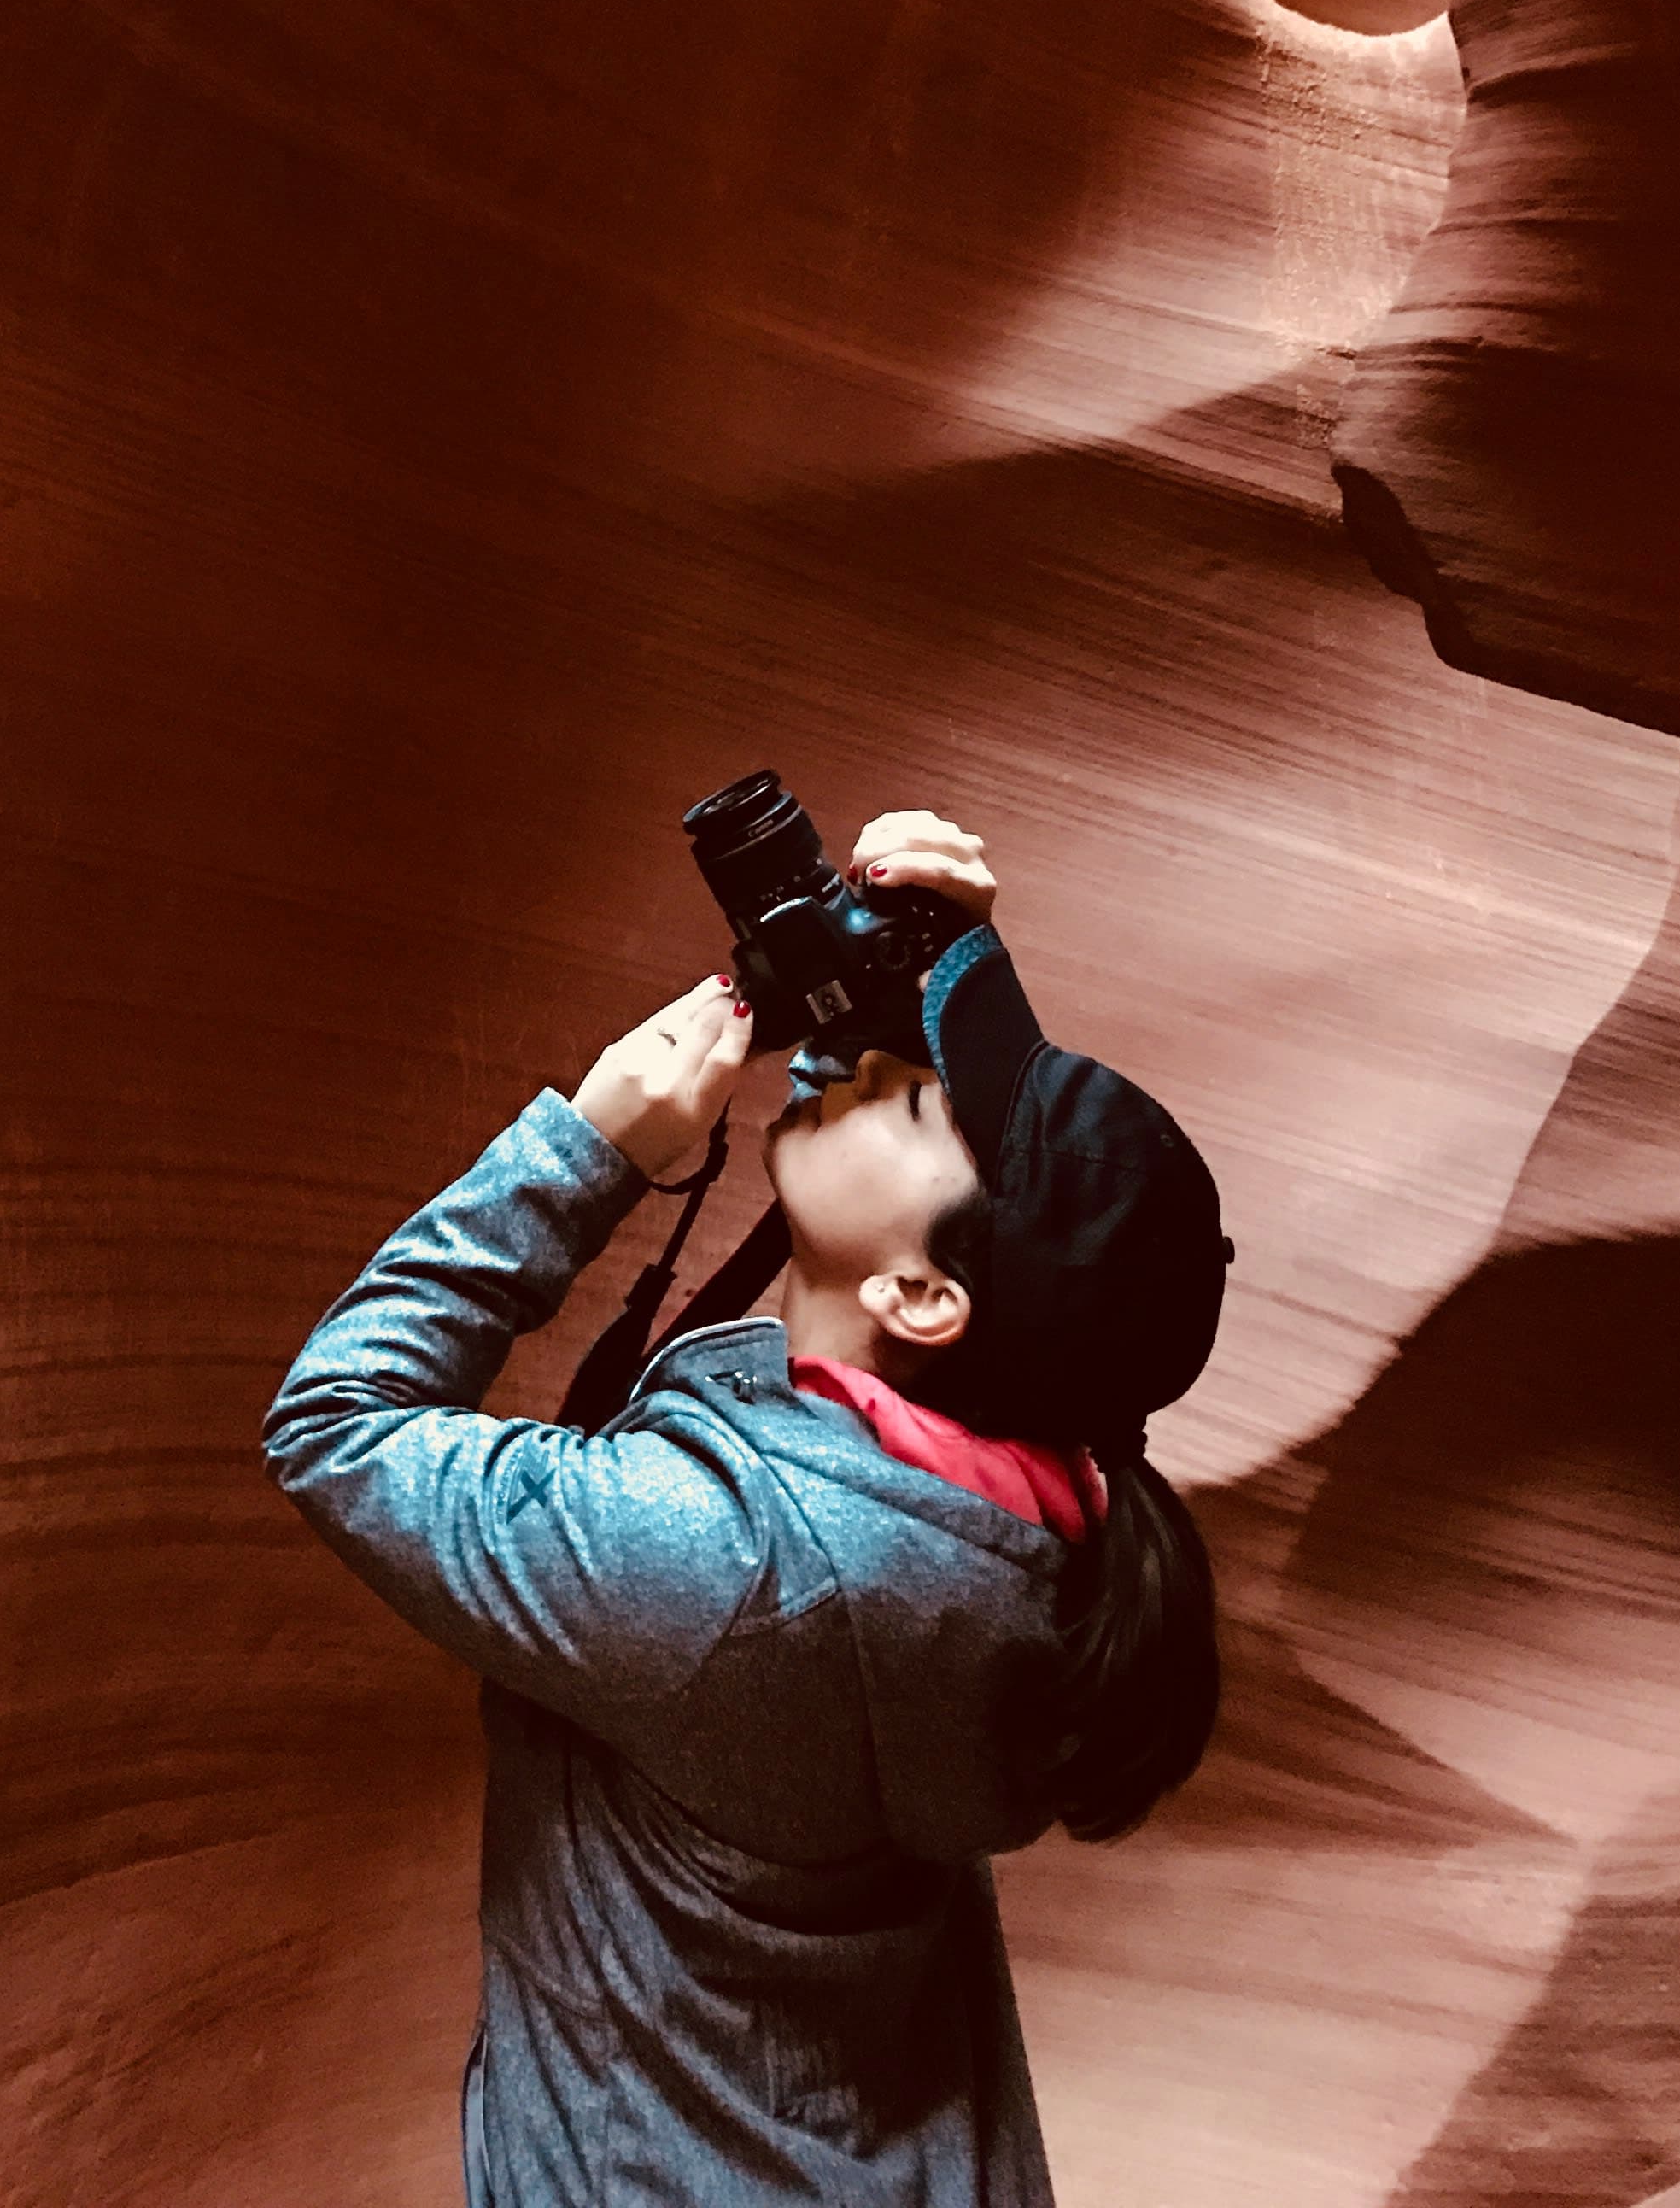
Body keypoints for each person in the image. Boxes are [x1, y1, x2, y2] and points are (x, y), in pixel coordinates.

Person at [262, 808, 1232, 2205]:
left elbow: (338, 1425)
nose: (887, 1077)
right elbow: (977, 1211)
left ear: (925, 1297)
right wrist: (923, 960)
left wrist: (583, 1153)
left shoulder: (724, 1574)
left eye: (924, 1094)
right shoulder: (1033, 1530)